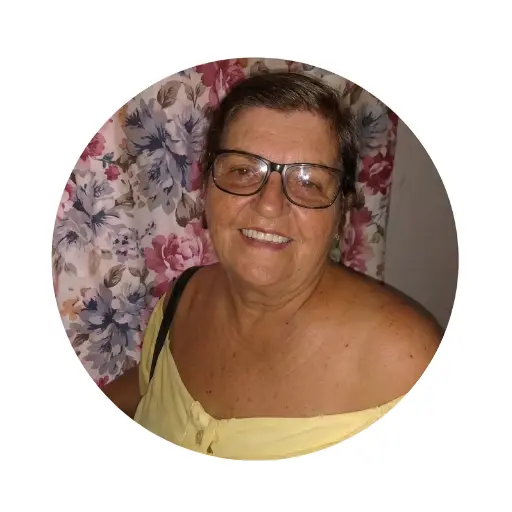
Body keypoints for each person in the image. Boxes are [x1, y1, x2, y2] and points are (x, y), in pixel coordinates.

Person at [103, 72, 441, 460]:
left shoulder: (404, 363)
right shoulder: (182, 300)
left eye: (308, 181)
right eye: (243, 170)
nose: (268, 204)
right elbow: (148, 389)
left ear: (341, 212)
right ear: (206, 188)